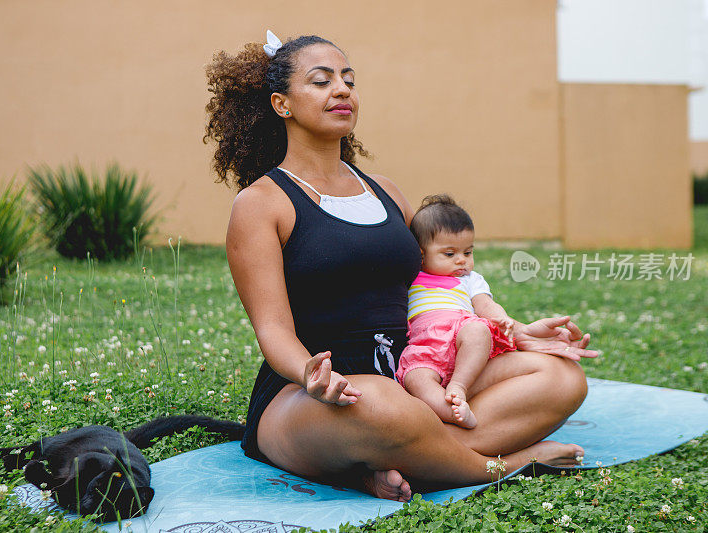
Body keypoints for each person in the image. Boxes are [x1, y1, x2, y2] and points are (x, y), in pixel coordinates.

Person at [204, 31, 598, 502]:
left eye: (348, 79)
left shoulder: (386, 191)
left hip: (414, 372)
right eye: (321, 81)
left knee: (560, 378)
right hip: (319, 392)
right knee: (383, 409)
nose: (343, 90)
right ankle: (505, 465)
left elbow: (442, 283)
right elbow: (272, 331)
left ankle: (394, 462)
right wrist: (310, 372)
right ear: (282, 104)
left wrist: (513, 331)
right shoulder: (261, 203)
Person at [396, 194, 516, 429]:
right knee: (416, 378)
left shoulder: (471, 280)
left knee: (479, 330)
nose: (462, 261)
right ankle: (451, 411)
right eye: (450, 254)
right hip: (425, 347)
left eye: (468, 253)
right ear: (421, 254)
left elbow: (484, 305)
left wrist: (501, 317)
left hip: (461, 336)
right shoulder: (410, 277)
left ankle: (459, 386)